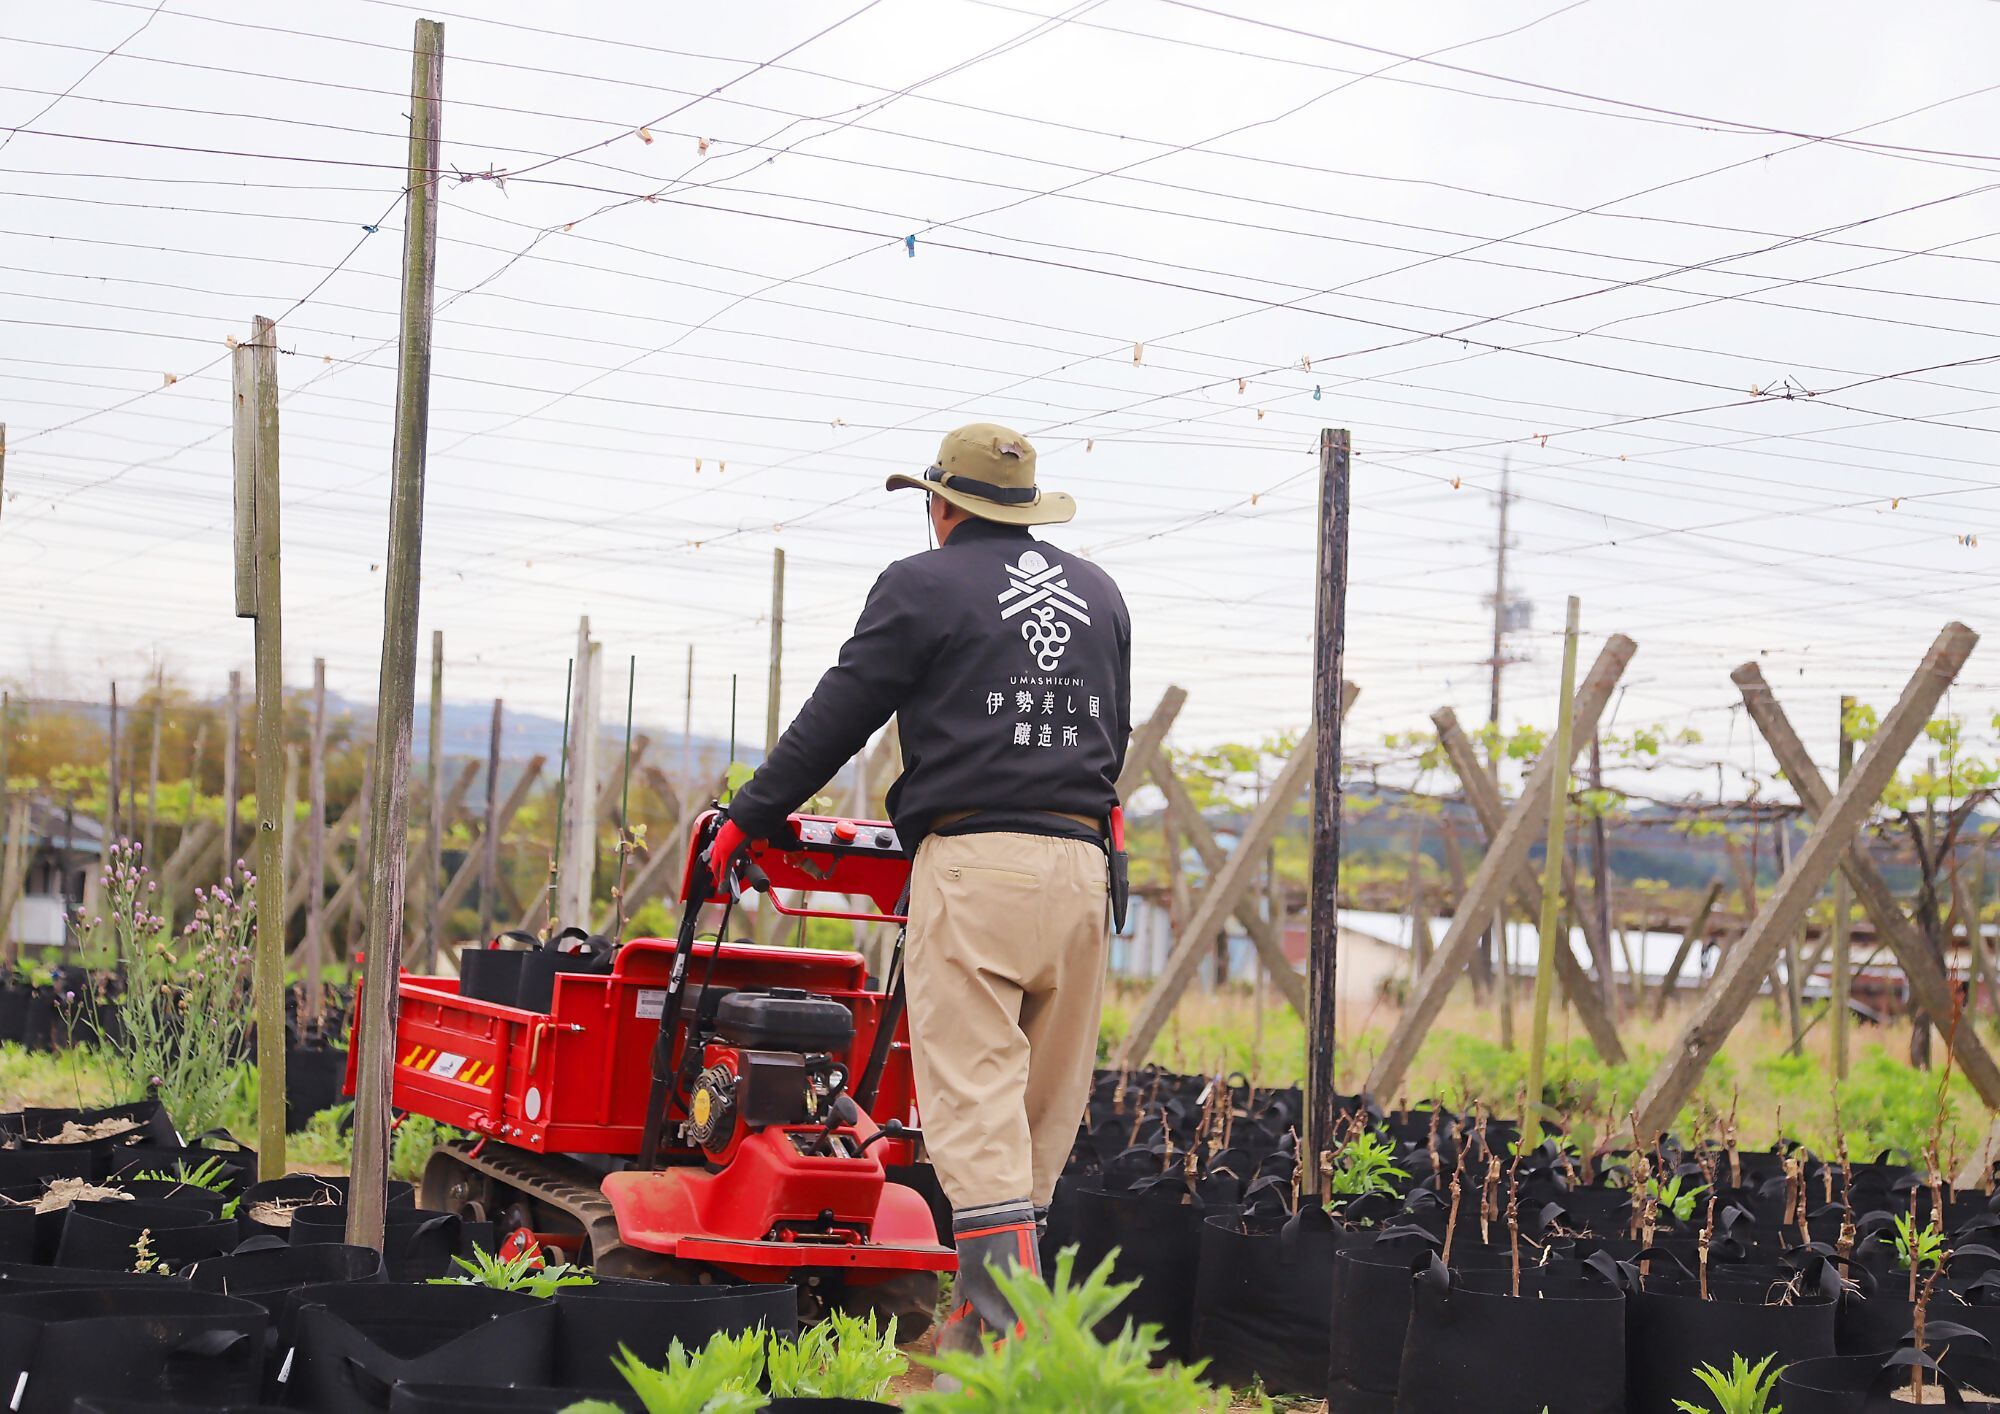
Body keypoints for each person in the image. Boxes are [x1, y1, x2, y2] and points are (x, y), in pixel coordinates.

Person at [707, 421, 1132, 1361]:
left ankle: (1001, 1333)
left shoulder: (920, 582)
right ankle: (1010, 1327)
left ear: (941, 507)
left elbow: (841, 713)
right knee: (1043, 1104)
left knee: (975, 1095)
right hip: (1081, 868)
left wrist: (749, 816)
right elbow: (1113, 736)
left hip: (977, 862)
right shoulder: (1100, 593)